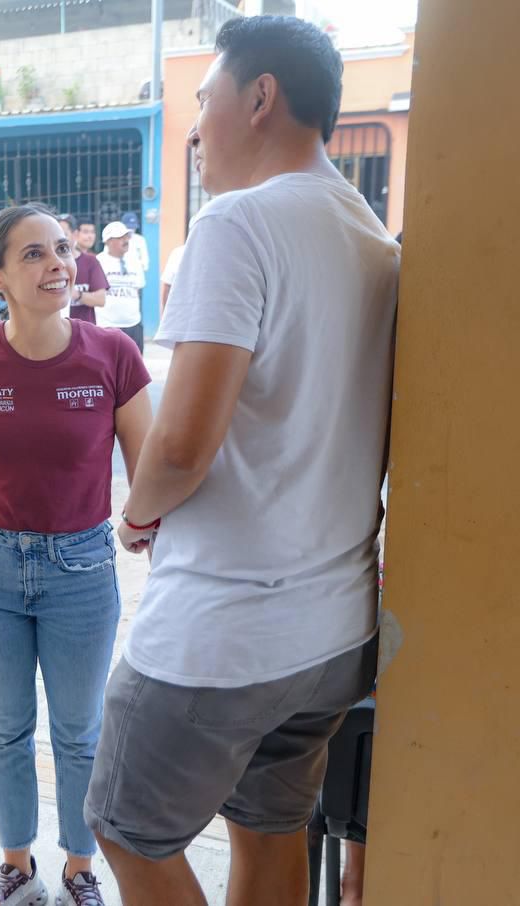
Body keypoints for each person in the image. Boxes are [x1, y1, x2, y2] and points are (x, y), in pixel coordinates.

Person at [84, 16, 400, 906]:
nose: (192, 131)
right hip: (333, 631)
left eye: (204, 101)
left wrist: (138, 514)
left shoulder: (240, 223)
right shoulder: (369, 233)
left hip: (221, 635)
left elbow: (181, 445)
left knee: (125, 828)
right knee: (271, 835)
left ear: (260, 98)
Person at [0, 204, 152, 906]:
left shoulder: (113, 355)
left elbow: (151, 469)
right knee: (4, 732)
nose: (57, 264)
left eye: (60, 250)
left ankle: (81, 868)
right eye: (33, 255)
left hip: (81, 571)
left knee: (79, 735)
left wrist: (152, 538)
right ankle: (16, 866)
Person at [95, 222, 147, 351]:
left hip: (133, 325)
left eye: (126, 237)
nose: (125, 240)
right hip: (106, 326)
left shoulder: (135, 262)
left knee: (134, 368)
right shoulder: (98, 262)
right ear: (108, 241)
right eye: (120, 238)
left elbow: (138, 288)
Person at [58, 214, 110, 324]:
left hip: (84, 333)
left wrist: (77, 295)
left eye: (64, 234)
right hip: (54, 332)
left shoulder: (91, 262)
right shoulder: (48, 264)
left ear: (75, 235)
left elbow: (101, 300)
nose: (58, 239)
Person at [159, 241, 186, 319]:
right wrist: (165, 315)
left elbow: (167, 286)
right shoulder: (179, 252)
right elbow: (167, 285)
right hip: (180, 314)